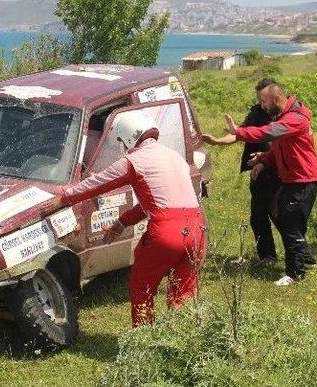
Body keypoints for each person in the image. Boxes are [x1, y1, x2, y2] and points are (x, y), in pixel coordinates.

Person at [46, 111, 206, 326]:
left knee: (142, 286)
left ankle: (143, 341)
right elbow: (157, 202)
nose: (122, 146)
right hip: (197, 228)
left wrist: (64, 198)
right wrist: (122, 222)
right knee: (183, 291)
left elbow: (98, 183)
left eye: (121, 140)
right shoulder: (173, 156)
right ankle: (182, 341)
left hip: (167, 233)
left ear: (129, 137)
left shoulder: (134, 161)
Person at [202, 78, 317, 286]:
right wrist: (264, 160)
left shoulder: (294, 119)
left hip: (303, 180)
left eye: (264, 101)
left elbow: (268, 132)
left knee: (290, 223)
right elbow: (276, 148)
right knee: (287, 220)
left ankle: (295, 273)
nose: (262, 106)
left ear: (276, 98)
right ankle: (306, 261)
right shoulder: (284, 115)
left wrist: (238, 132)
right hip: (292, 179)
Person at [203, 102, 281, 266]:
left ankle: (299, 253)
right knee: (258, 217)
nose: (262, 100)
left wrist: (266, 158)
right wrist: (217, 141)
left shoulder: (283, 114)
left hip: (278, 170)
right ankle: (267, 257)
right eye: (260, 97)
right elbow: (239, 133)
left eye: (264, 96)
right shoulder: (256, 112)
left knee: (279, 215)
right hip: (257, 172)